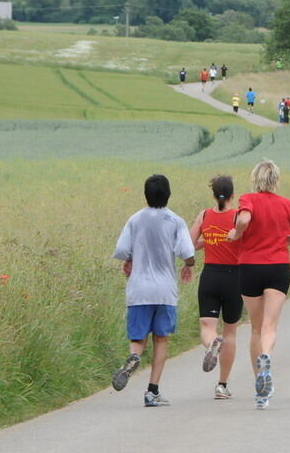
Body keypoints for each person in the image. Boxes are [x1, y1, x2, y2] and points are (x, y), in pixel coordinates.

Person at [227, 160, 290, 410]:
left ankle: (259, 385)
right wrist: (281, 237)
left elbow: (243, 218)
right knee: (270, 325)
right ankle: (267, 356)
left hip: (250, 267)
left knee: (255, 328)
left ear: (256, 178)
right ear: (276, 179)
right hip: (277, 267)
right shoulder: (287, 204)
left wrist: (238, 233)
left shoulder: (248, 198)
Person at [111, 174, 196, 407]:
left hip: (138, 290)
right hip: (164, 290)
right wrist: (189, 266)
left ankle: (135, 357)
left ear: (145, 195)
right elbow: (188, 252)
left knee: (138, 338)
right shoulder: (175, 221)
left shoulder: (135, 220)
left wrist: (129, 259)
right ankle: (152, 391)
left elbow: (121, 249)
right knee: (161, 339)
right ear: (168, 195)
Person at [188, 176, 241, 399]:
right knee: (230, 332)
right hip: (235, 278)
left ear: (213, 194)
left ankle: (212, 343)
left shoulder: (204, 215)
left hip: (210, 275)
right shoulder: (240, 217)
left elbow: (189, 245)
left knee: (207, 327)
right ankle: (222, 385)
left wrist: (207, 241)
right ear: (232, 195)